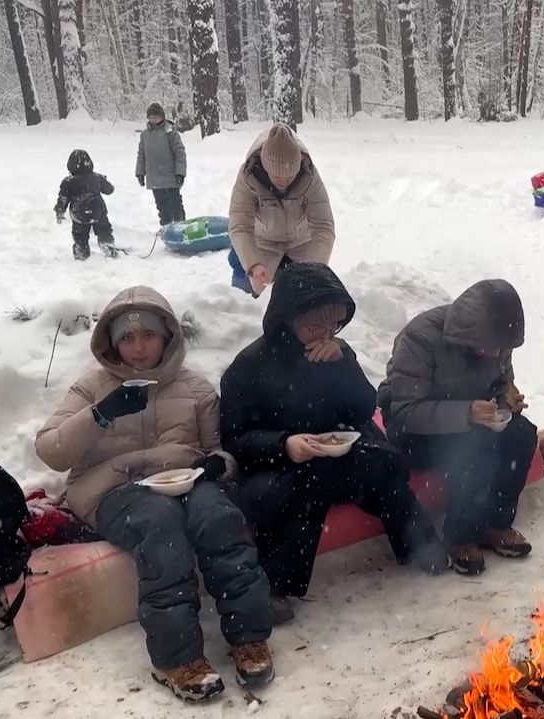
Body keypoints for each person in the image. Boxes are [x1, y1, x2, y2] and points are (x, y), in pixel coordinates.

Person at [34, 287, 273, 703]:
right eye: (127, 338)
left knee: (219, 519)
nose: (139, 347)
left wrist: (216, 465)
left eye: (148, 335)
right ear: (112, 343)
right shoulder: (92, 387)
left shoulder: (195, 387)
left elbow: (219, 450)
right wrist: (102, 413)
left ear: (167, 337)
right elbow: (50, 450)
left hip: (184, 479)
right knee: (160, 529)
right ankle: (176, 658)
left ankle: (249, 636)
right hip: (112, 488)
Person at [220, 262, 446, 622]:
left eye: (334, 325)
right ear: (287, 319)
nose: (326, 333)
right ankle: (276, 585)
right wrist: (285, 444)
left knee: (382, 471)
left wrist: (342, 366)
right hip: (278, 465)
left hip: (338, 450)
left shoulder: (336, 352)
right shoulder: (249, 366)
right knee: (308, 484)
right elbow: (235, 439)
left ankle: (421, 545)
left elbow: (363, 409)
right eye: (316, 325)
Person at [378, 279, 538, 576]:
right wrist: (466, 413)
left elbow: (502, 378)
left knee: (521, 435)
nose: (497, 353)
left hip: (471, 416)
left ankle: (495, 523)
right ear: (469, 334)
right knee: (475, 446)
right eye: (491, 347)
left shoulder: (497, 338)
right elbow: (405, 411)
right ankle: (460, 536)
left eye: (502, 348)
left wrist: (506, 394)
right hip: (412, 430)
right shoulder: (421, 337)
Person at [228, 123, 334, 296]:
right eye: (277, 176)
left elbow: (324, 227)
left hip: (301, 242)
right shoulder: (248, 175)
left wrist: (314, 268)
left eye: (290, 176)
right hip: (264, 241)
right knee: (245, 289)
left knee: (309, 293)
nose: (284, 182)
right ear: (265, 167)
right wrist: (253, 264)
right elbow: (239, 226)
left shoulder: (309, 174)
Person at [54, 149, 118, 260]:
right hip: (98, 211)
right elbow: (109, 190)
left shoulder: (68, 182)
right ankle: (107, 244)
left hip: (79, 214)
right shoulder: (96, 178)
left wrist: (60, 212)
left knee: (80, 235)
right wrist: (104, 181)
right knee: (104, 230)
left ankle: (81, 251)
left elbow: (63, 199)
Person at [135, 102, 188, 226]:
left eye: (155, 117)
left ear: (162, 117)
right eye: (150, 118)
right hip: (154, 179)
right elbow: (141, 154)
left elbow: (180, 153)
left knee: (175, 206)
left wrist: (180, 173)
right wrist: (140, 173)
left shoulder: (170, 133)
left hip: (170, 177)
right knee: (162, 207)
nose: (152, 120)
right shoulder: (145, 135)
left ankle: (180, 226)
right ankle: (166, 227)